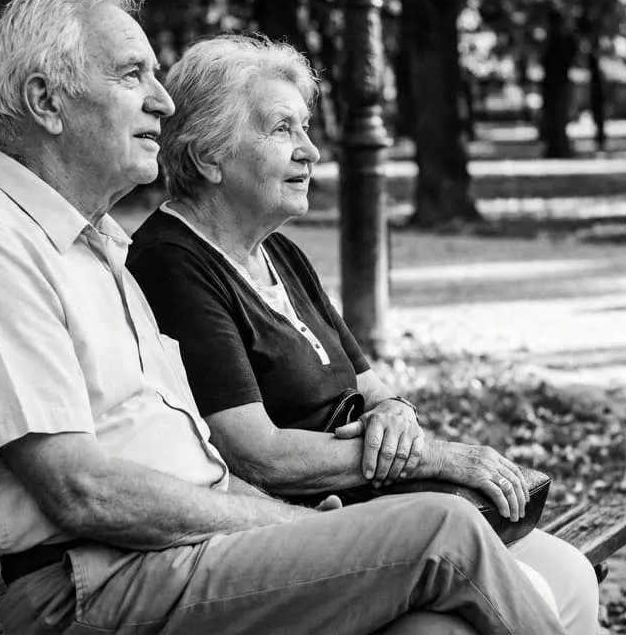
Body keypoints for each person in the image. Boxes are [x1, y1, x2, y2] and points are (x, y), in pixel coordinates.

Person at [0, 0, 568, 635]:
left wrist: (283, 519)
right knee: (439, 531)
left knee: (432, 627)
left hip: (153, 560)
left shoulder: (94, 251)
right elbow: (80, 490)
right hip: (75, 589)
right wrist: (293, 529)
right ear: (47, 102)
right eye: (132, 76)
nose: (162, 102)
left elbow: (189, 464)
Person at [127, 33, 601, 635]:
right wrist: (427, 457)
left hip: (381, 512)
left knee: (568, 572)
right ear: (207, 157)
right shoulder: (174, 264)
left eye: (306, 129)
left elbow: (373, 386)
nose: (310, 152)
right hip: (303, 536)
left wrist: (396, 415)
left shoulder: (280, 253)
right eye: (281, 130)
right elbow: (258, 455)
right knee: (490, 606)